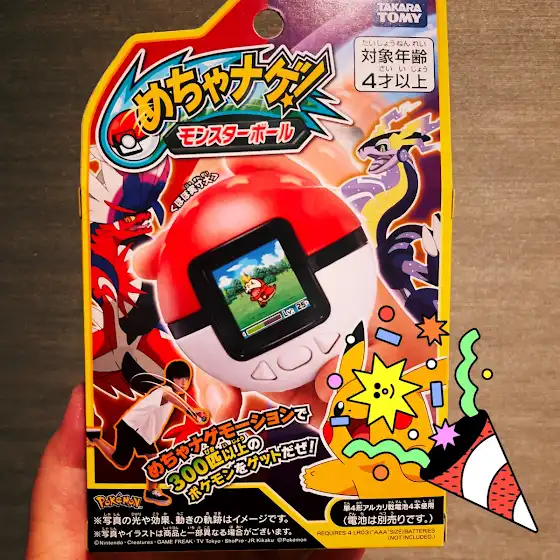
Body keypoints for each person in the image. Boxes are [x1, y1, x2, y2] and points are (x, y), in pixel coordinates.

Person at [87, 360, 208, 506]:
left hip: (140, 432)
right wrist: (192, 412)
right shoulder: (165, 391)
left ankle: (94, 438)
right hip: (132, 428)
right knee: (128, 461)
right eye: (179, 378)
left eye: (186, 379)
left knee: (137, 460)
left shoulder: (171, 394)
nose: (183, 383)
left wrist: (192, 412)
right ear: (170, 379)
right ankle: (95, 438)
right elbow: (172, 398)